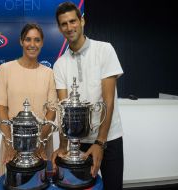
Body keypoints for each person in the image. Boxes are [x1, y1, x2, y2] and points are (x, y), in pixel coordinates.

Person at [51, 2, 124, 190]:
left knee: (112, 187)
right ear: (60, 29)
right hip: (78, 141)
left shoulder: (105, 50)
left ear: (82, 21)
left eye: (73, 21)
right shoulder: (59, 64)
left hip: (109, 138)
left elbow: (107, 100)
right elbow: (63, 107)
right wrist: (62, 145)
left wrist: (100, 142)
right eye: (64, 24)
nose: (69, 27)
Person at [0, 23, 57, 176]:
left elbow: (52, 111)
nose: (32, 44)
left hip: (42, 145)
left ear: (42, 43)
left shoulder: (49, 73)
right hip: (12, 145)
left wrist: (40, 143)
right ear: (21, 41)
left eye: (37, 40)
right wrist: (10, 144)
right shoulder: (5, 69)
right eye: (28, 39)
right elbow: (1, 109)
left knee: (39, 184)